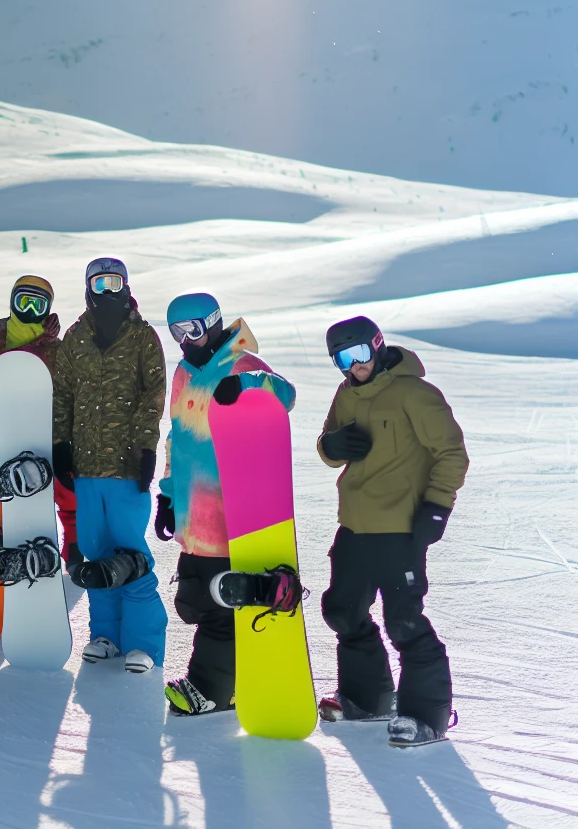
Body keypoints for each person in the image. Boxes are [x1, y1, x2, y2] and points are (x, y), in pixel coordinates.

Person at [317, 316, 467, 747]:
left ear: (377, 346)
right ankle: (368, 698)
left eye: (359, 354)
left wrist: (437, 507)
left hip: (400, 527)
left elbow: (452, 454)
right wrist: (331, 447)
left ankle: (427, 716)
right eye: (341, 359)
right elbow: (328, 441)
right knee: (343, 610)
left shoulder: (415, 394)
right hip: (355, 523)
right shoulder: (346, 393)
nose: (353, 366)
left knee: (403, 621)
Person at [155, 292, 296, 717]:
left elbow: (285, 396)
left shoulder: (241, 365)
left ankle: (213, 690)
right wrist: (166, 494)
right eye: (177, 332)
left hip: (232, 510)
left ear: (214, 323)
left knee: (221, 604)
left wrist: (250, 385)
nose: (185, 340)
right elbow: (176, 438)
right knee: (194, 600)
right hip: (193, 513)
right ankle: (229, 680)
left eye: (192, 330)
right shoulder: (183, 372)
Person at [50, 258, 168, 674]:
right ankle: (105, 636)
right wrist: (61, 445)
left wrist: (145, 448)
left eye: (113, 282)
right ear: (87, 288)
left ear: (125, 286)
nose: (106, 290)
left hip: (126, 465)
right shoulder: (76, 337)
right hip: (85, 465)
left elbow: (154, 394)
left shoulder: (141, 336)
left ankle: (144, 644)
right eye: (99, 283)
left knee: (130, 552)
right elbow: (61, 394)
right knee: (95, 552)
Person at [0, 275, 76, 564]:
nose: (29, 310)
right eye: (23, 301)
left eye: (38, 305)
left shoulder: (58, 350)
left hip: (44, 431)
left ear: (48, 309)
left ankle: (73, 543)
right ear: (12, 302)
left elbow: (70, 394)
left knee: (61, 486)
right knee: (2, 489)